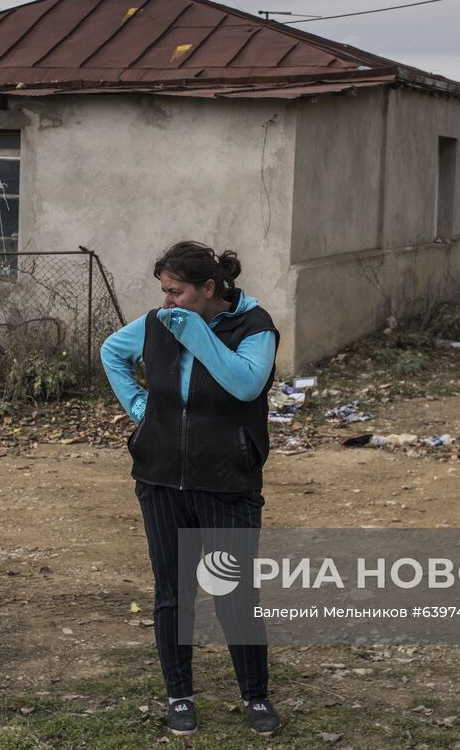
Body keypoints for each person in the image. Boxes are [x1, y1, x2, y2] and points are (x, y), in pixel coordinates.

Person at [100, 240, 282, 737]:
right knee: (173, 594)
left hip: (227, 479)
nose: (166, 304)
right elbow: (111, 352)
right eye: (163, 292)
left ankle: (256, 697)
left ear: (208, 288)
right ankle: (179, 696)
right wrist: (143, 413)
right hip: (160, 477)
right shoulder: (161, 322)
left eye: (175, 292)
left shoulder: (255, 327)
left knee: (235, 594)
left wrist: (199, 334)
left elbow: (244, 384)